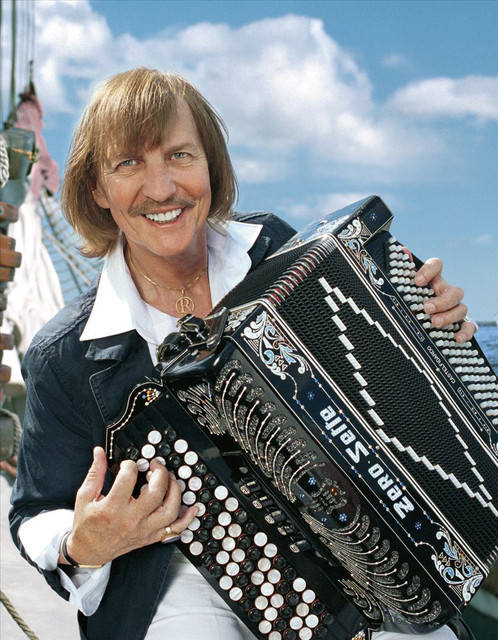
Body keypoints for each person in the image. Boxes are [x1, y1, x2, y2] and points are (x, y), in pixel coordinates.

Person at [9, 68, 477, 640]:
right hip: (173, 571)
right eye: (128, 164)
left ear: (210, 165)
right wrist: (81, 544)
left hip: (350, 545)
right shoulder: (64, 353)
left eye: (180, 155)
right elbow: (35, 513)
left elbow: (381, 382)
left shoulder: (280, 250)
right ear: (98, 191)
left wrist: (432, 324)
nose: (161, 188)